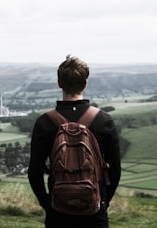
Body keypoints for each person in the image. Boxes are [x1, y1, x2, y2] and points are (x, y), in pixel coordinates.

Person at [28, 55, 121, 228]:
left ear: (59, 83)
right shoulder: (103, 121)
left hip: (58, 212)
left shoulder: (45, 123)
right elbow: (115, 171)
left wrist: (48, 205)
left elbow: (34, 173)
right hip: (94, 212)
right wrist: (103, 203)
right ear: (85, 83)